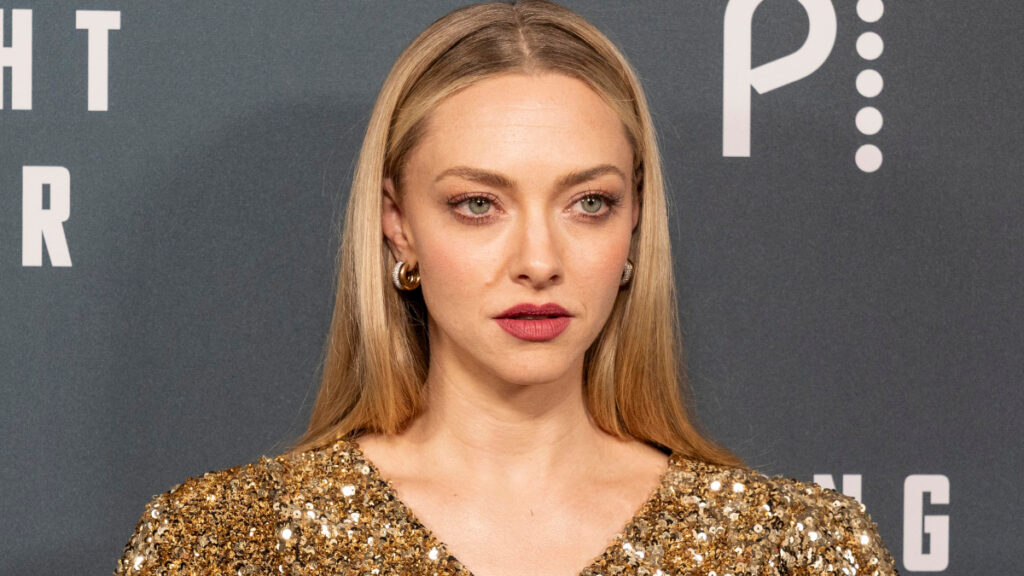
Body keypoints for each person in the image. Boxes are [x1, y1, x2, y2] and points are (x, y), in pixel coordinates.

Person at [115, 1, 899, 575]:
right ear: (398, 224)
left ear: (635, 225)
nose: (539, 260)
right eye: (477, 205)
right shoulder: (224, 545)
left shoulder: (800, 551)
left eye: (588, 203)